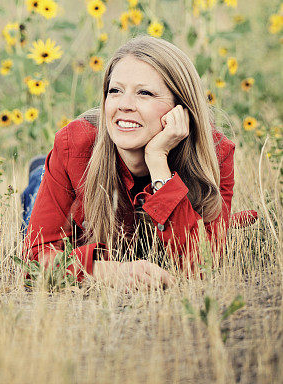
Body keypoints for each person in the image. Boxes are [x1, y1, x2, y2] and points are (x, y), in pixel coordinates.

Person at [22, 35, 258, 290]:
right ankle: (39, 174)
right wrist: (106, 272)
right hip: (64, 181)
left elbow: (200, 265)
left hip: (150, 214)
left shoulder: (215, 153)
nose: (124, 105)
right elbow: (36, 260)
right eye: (115, 91)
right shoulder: (74, 145)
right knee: (35, 201)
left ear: (181, 107)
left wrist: (158, 161)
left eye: (144, 93)